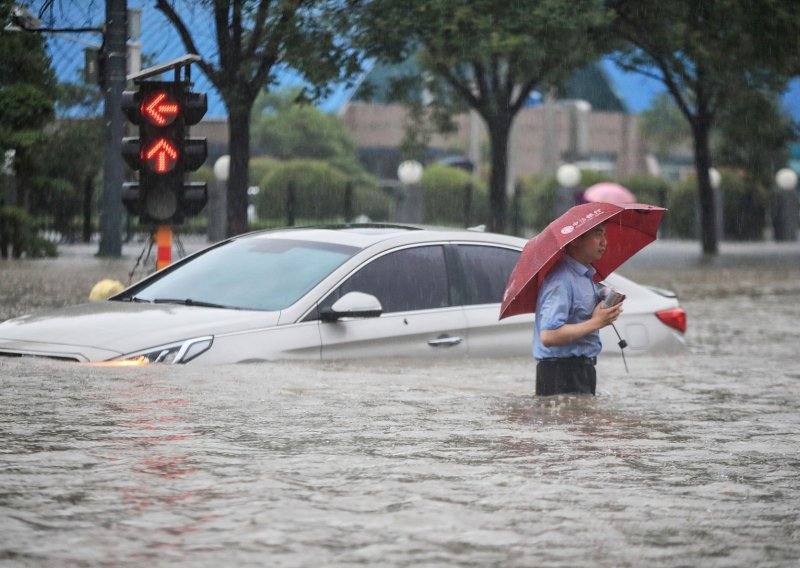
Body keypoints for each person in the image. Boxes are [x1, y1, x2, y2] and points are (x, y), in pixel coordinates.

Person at [533, 223, 622, 396]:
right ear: (575, 240)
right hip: (560, 372)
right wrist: (596, 322)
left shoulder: (586, 276)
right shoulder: (560, 280)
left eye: (604, 234)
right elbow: (548, 336)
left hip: (583, 368)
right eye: (597, 234)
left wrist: (605, 306)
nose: (604, 242)